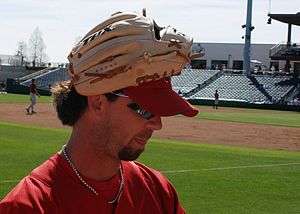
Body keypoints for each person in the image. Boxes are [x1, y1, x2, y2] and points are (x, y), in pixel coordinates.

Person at [0, 10, 201, 213]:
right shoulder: (29, 205)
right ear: (97, 102)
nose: (157, 124)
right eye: (144, 110)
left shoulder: (159, 191)